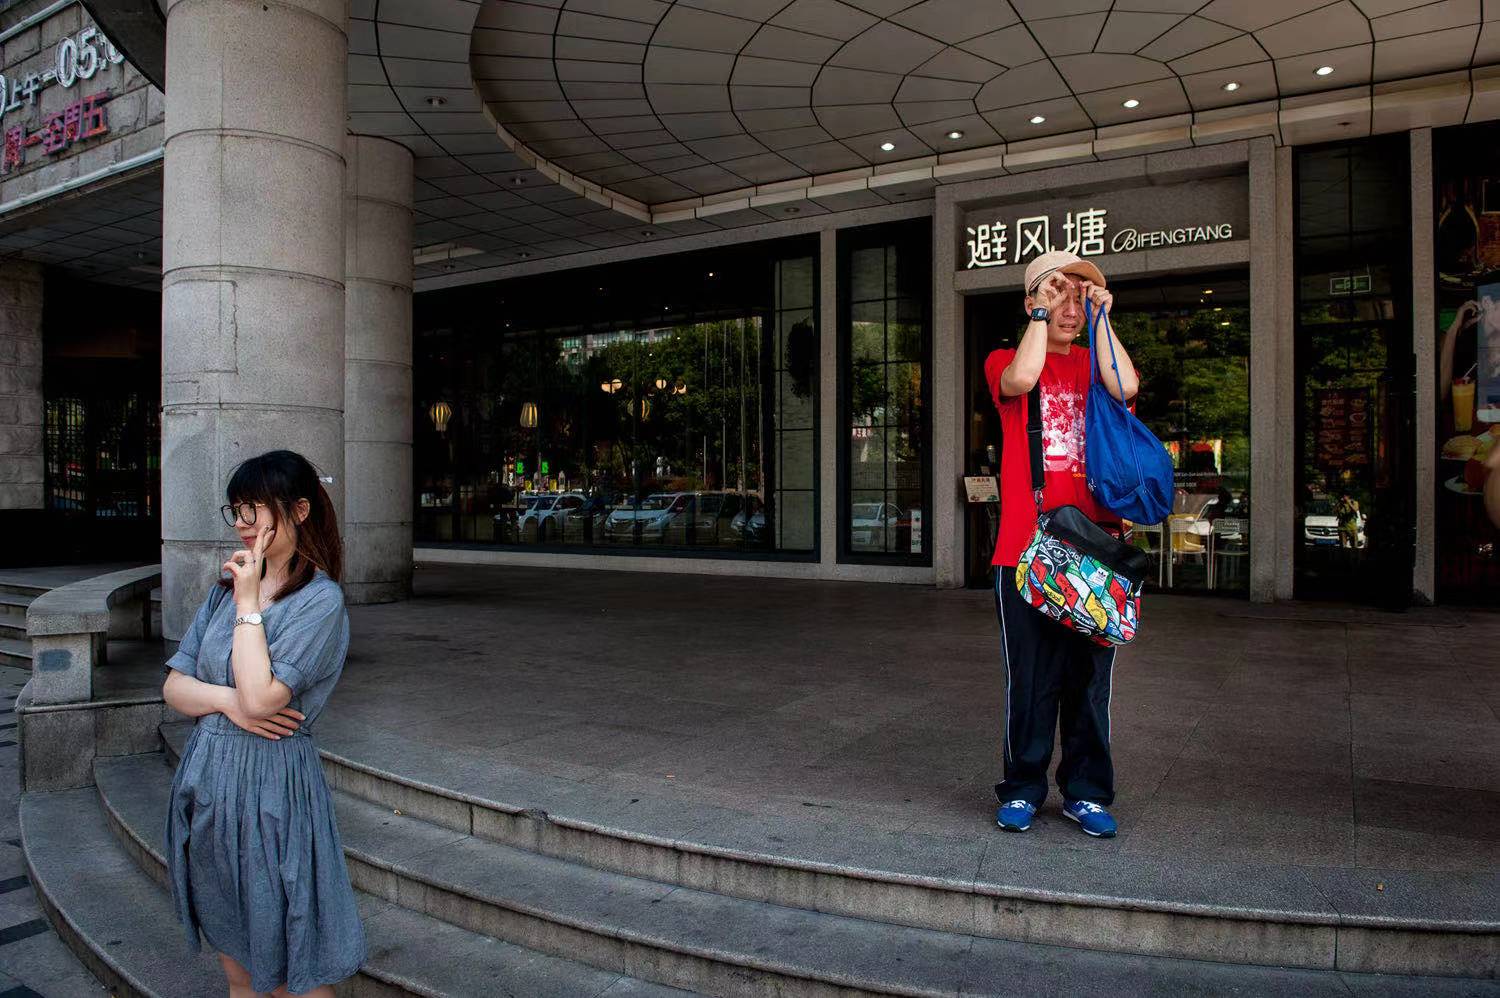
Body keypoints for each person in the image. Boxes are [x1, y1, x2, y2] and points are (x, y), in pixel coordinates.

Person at [161, 450, 366, 997]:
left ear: (299, 510)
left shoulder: (319, 601)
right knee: (237, 965)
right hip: (210, 782)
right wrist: (226, 703)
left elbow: (261, 698)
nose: (243, 522)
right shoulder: (223, 591)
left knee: (289, 961)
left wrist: (249, 605)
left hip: (273, 783)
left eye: (255, 507)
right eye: (237, 509)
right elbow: (174, 687)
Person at [984, 250, 1139, 839]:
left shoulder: (1097, 363)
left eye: (1080, 294)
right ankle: (1023, 787)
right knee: (1030, 683)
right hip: (1026, 552)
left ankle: (1087, 792)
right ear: (1032, 300)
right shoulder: (1006, 358)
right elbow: (1021, 380)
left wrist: (1102, 319)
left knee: (1088, 684)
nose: (1071, 305)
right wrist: (1041, 315)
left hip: (1096, 551)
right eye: (1059, 292)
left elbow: (1126, 385)